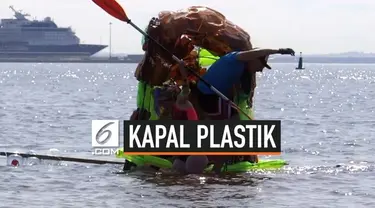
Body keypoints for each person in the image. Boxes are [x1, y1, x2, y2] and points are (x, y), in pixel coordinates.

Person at [196, 48, 295, 174]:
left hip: (215, 97)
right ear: (253, 59)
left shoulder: (240, 70)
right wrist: (278, 50)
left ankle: (214, 165)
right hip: (209, 96)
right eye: (261, 65)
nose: (260, 69)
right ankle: (215, 169)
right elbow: (254, 53)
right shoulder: (235, 58)